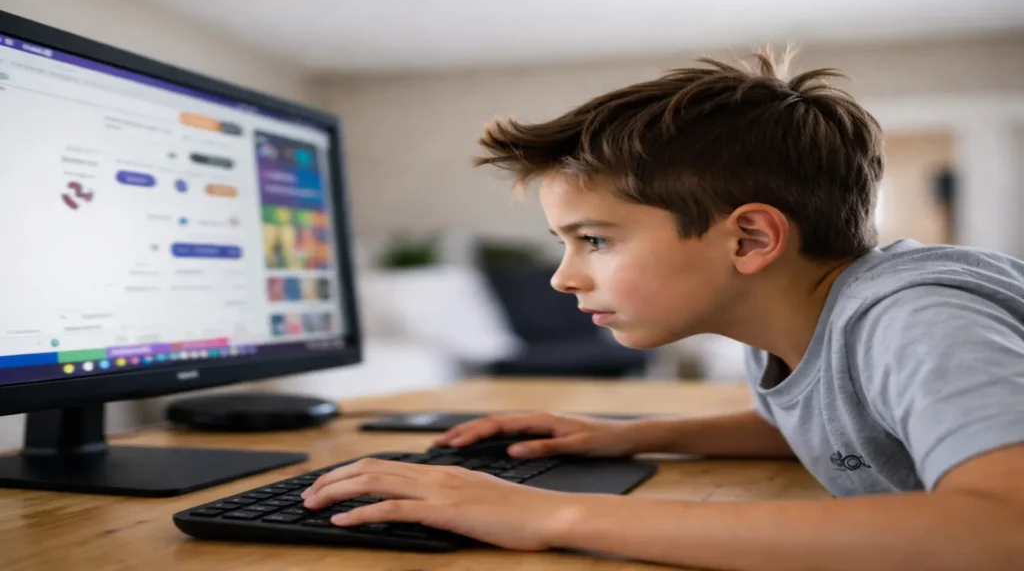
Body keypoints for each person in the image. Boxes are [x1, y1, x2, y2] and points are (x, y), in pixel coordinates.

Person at [301, 48, 1024, 570]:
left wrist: (546, 512)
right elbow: (853, 423)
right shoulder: (796, 320)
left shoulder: (915, 320)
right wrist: (629, 435)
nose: (563, 278)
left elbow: (1005, 527)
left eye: (594, 240)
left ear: (749, 239)